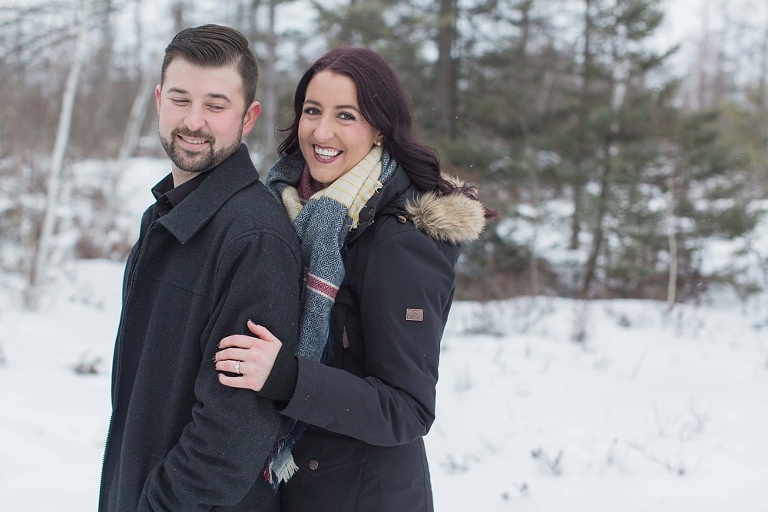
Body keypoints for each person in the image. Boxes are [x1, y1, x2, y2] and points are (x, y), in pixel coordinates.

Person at [214, 46, 495, 511]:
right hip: (294, 488)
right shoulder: (285, 210)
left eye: (347, 115)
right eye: (312, 111)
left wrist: (286, 376)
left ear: (380, 127)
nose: (322, 132)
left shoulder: (399, 242)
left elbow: (407, 408)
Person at [99, 25, 302, 511]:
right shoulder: (167, 216)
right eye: (180, 99)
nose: (193, 121)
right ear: (158, 100)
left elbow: (233, 432)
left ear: (247, 116)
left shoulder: (254, 237)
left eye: (215, 105)